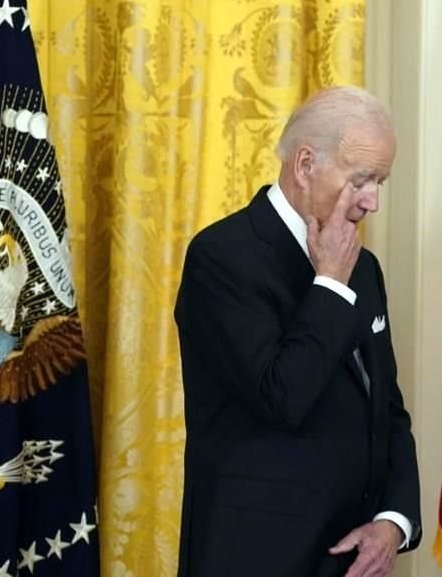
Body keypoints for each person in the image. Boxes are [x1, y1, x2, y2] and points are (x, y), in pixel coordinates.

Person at [175, 86, 421, 577]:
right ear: (305, 164)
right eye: (361, 180)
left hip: (349, 559)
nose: (372, 200)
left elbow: (386, 408)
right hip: (255, 558)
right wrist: (329, 285)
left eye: (381, 182)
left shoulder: (363, 267)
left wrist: (393, 521)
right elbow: (282, 396)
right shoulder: (222, 257)